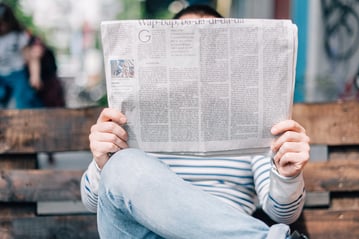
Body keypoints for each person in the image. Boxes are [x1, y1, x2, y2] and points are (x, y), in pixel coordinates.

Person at [81, 4, 309, 239]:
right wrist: (101, 164)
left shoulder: (254, 121)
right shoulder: (130, 118)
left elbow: (283, 214)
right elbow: (95, 203)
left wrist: (287, 176)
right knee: (122, 165)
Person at [0, 3, 42, 108]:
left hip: (17, 74)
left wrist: (35, 76)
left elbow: (31, 57)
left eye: (2, 23)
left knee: (22, 99)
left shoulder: (18, 36)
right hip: (1, 75)